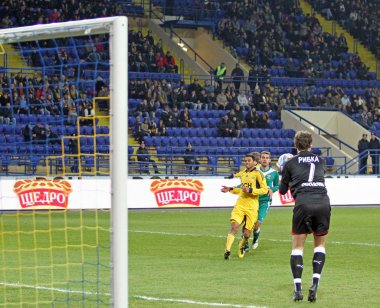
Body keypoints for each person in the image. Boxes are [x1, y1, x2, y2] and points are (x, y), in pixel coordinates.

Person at [279, 131, 331, 302]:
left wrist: (283, 173)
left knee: (297, 248)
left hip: (303, 203)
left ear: (296, 144)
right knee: (320, 246)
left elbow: (282, 191)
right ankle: (315, 283)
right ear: (311, 144)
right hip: (323, 202)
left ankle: (298, 288)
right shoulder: (321, 160)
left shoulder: (290, 162)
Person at [221, 153, 268, 260]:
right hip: (240, 205)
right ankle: (227, 251)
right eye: (245, 160)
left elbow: (264, 190)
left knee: (247, 234)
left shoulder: (258, 174)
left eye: (249, 160)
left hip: (252, 207)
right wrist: (230, 189)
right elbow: (242, 189)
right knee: (234, 227)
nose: (246, 162)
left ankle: (241, 245)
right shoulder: (243, 174)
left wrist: (251, 190)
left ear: (255, 162)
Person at [244, 151, 279, 251]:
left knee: (257, 223)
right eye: (263, 157)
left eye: (267, 157)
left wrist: (272, 189)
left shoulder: (274, 173)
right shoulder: (254, 171)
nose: (264, 159)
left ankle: (255, 239)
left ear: (269, 160)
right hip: (253, 199)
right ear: (260, 159)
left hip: (265, 201)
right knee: (247, 222)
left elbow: (277, 185)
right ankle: (245, 242)